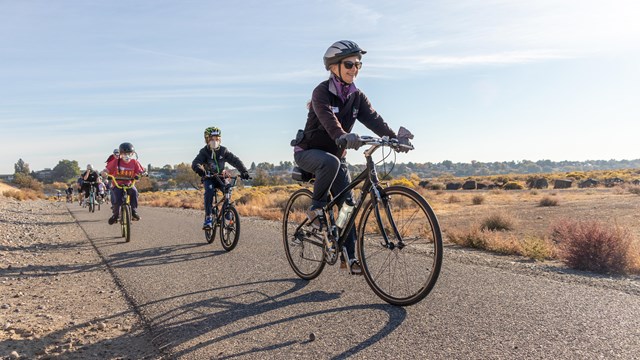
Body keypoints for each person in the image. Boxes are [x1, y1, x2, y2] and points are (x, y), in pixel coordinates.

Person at [291, 40, 413, 275]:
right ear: (334, 67)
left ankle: (350, 256)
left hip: (336, 156)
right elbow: (329, 121)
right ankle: (316, 209)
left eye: (358, 64)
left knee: (348, 204)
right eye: (349, 64)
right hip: (309, 153)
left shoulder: (357, 97)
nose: (354, 69)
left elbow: (374, 119)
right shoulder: (321, 92)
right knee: (331, 161)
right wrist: (343, 135)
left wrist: (394, 139)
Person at [192, 126, 250, 230]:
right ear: (207, 140)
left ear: (220, 139)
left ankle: (227, 211)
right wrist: (200, 170)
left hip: (221, 177)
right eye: (212, 139)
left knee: (228, 189)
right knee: (209, 191)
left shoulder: (223, 151)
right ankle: (208, 217)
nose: (215, 141)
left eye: (217, 139)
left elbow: (235, 160)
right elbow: (196, 163)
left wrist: (244, 171)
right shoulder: (204, 152)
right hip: (209, 177)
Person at [105, 142, 146, 224]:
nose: (127, 156)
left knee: (134, 192)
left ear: (133, 154)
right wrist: (104, 173)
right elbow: (107, 169)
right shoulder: (116, 161)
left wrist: (143, 173)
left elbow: (140, 171)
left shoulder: (134, 162)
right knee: (117, 199)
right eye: (124, 154)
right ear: (120, 154)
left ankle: (134, 211)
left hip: (129, 184)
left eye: (129, 153)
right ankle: (116, 215)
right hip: (117, 184)